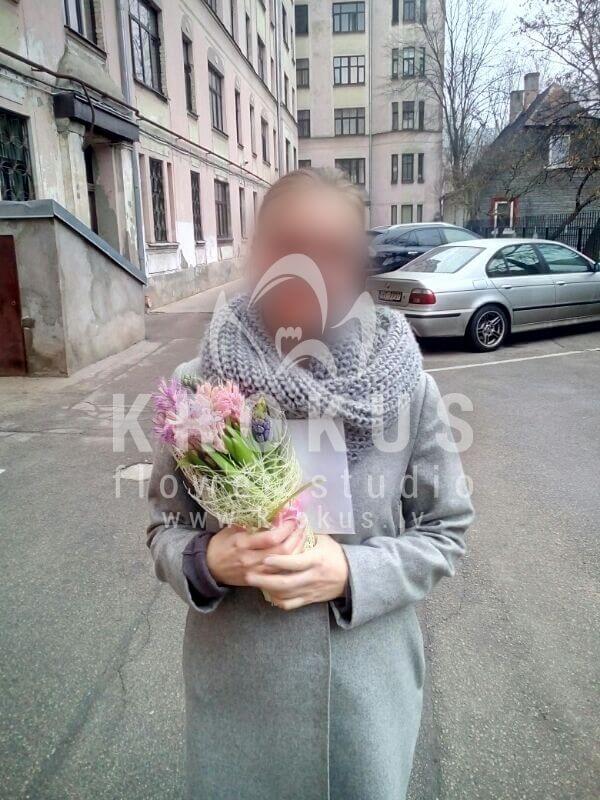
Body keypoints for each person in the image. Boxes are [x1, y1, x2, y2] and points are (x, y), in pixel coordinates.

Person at [147, 168, 473, 800]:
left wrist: (352, 572)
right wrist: (207, 560)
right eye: (288, 245)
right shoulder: (195, 388)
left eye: (331, 250)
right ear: (256, 254)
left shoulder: (407, 388)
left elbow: (446, 530)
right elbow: (164, 528)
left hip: (364, 707)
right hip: (238, 704)